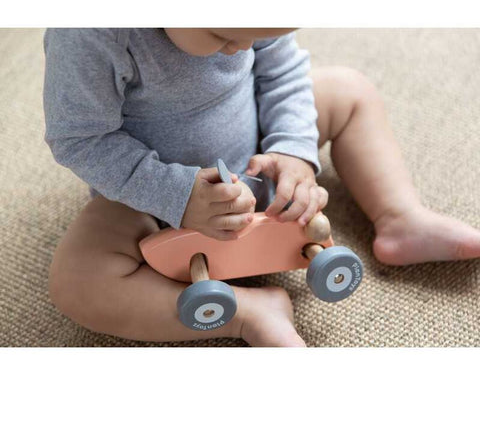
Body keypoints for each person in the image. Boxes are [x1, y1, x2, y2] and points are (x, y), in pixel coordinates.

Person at [43, 28, 480, 347]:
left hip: (259, 156)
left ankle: (399, 216)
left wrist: (293, 150)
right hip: (154, 205)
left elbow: (282, 73)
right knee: (76, 282)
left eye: (260, 35)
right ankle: (247, 312)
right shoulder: (89, 33)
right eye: (223, 37)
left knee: (349, 89)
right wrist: (176, 195)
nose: (242, 49)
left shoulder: (248, 23)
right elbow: (80, 139)